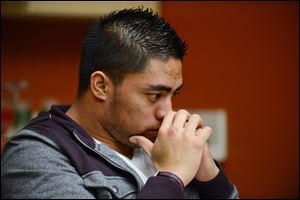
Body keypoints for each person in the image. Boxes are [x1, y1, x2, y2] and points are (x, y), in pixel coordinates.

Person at [1, 8, 239, 199]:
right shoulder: (35, 156)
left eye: (173, 95)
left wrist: (209, 175)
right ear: (101, 86)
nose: (167, 112)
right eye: (155, 95)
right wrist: (171, 177)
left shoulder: (166, 143)